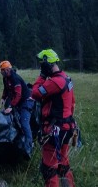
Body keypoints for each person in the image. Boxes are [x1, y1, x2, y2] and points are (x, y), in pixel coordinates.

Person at [32, 49, 76, 187]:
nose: (40, 66)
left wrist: (42, 76)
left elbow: (35, 93)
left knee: (49, 168)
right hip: (67, 126)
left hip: (55, 130)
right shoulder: (66, 78)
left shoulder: (55, 82)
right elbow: (72, 103)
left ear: (47, 64)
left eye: (42, 64)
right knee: (63, 163)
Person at [0, 60, 35, 158]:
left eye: (2, 70)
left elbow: (18, 95)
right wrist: (3, 98)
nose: (1, 72)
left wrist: (11, 106)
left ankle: (30, 144)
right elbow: (6, 89)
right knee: (12, 118)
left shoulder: (15, 78)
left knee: (24, 122)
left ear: (7, 70)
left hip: (26, 101)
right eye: (0, 70)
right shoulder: (5, 78)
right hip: (18, 101)